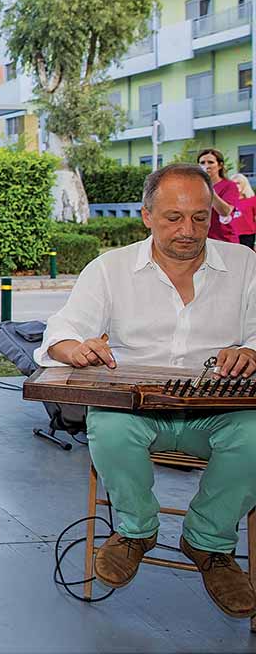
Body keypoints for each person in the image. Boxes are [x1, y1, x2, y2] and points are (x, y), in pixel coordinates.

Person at [35, 162, 256, 617]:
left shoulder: (245, 265)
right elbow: (61, 332)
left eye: (199, 217)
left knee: (255, 435)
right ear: (147, 216)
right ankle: (136, 530)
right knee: (108, 425)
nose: (188, 230)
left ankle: (208, 541)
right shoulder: (110, 269)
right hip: (137, 410)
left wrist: (250, 351)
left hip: (218, 412)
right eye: (173, 217)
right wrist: (76, 349)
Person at [197, 148, 239, 243]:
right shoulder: (196, 187)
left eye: (210, 162)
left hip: (224, 239)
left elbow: (225, 212)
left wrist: (209, 188)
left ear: (220, 165)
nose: (206, 166)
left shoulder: (229, 186)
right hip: (203, 239)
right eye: (202, 163)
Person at [230, 172, 256, 250]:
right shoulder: (228, 200)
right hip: (231, 234)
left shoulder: (252, 199)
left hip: (247, 234)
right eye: (233, 183)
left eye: (238, 183)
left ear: (244, 184)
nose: (236, 185)